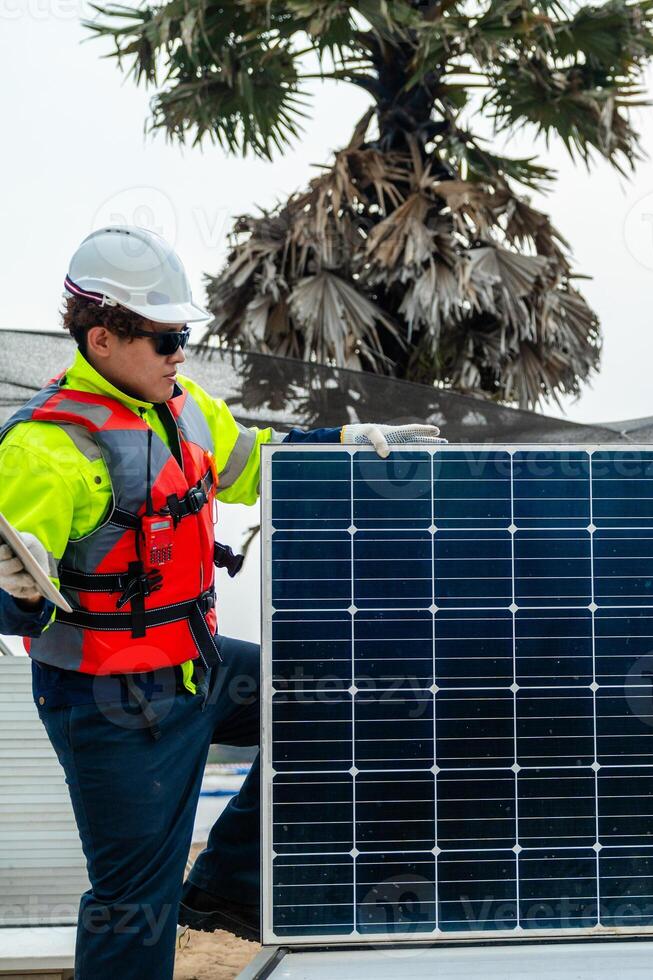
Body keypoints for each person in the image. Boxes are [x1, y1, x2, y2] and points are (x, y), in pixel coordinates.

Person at [0, 225, 445, 978]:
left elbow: (253, 466)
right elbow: (18, 611)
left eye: (184, 337)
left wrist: (342, 444)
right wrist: (16, 592)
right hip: (113, 702)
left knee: (343, 705)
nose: (181, 354)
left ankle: (226, 890)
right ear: (102, 338)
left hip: (197, 670)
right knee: (133, 900)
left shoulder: (185, 406)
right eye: (167, 338)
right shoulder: (43, 448)